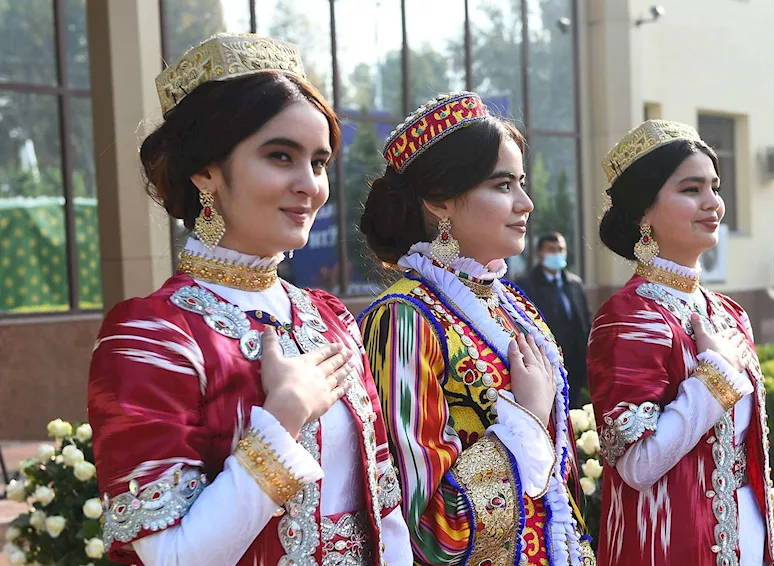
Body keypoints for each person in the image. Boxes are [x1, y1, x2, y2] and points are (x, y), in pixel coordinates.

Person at [87, 33, 411, 566]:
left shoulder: (331, 323)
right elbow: (167, 558)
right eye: (280, 156)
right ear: (206, 170)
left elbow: (385, 516)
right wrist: (281, 420)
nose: (308, 184)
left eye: (320, 162)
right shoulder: (153, 336)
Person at [357, 91, 594, 566]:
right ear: (440, 200)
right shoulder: (403, 319)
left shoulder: (516, 307)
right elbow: (425, 525)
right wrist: (523, 421)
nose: (526, 203)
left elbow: (559, 492)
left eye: (521, 182)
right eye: (503, 185)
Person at [587, 120, 774, 565]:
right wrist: (717, 378)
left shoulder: (730, 313)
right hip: (671, 544)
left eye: (714, 187)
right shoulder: (628, 316)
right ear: (642, 212)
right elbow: (637, 465)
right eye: (691, 189)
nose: (712, 203)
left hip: (748, 538)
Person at [515, 232, 593, 408]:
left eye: (560, 249)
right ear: (540, 254)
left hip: (574, 363)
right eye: (551, 249)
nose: (557, 254)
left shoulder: (574, 283)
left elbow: (585, 321)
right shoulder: (526, 285)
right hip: (546, 363)